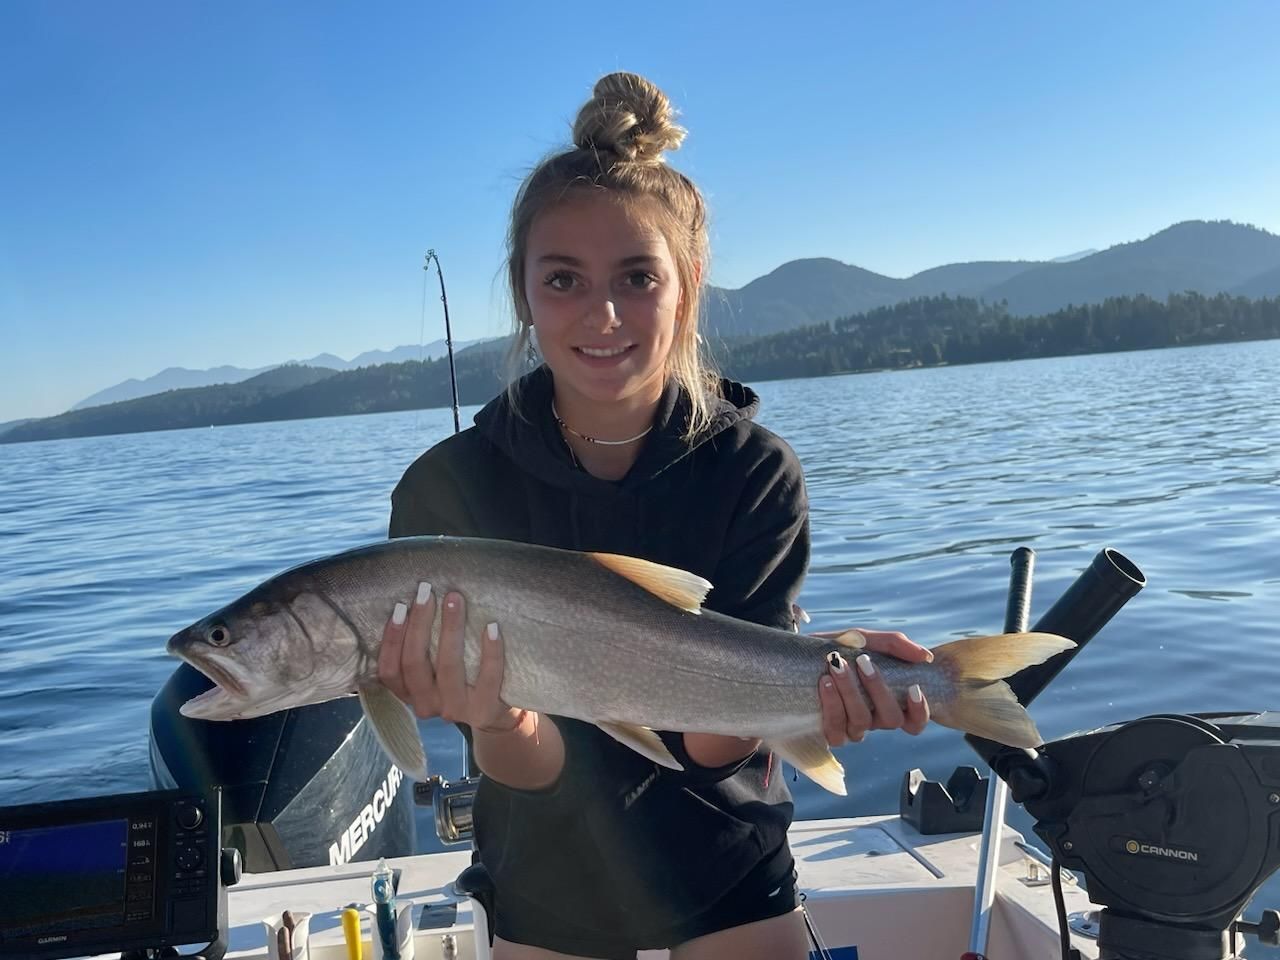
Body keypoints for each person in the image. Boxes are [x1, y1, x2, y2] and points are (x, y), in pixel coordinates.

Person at [377, 72, 931, 960]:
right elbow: (530, 767)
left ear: (689, 284)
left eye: (637, 276)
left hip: (728, 859)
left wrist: (815, 688)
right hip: (546, 872)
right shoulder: (447, 492)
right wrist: (496, 720)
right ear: (523, 291)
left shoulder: (754, 473)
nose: (602, 314)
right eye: (564, 279)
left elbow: (710, 752)